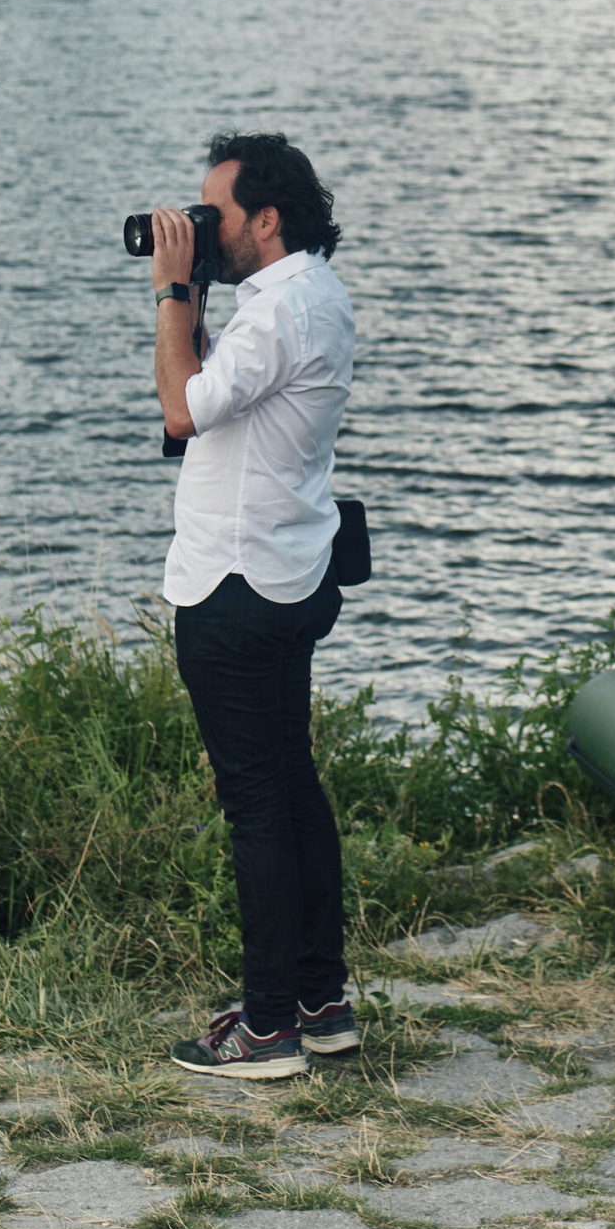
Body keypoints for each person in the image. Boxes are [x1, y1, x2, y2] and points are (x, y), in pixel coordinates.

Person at [144, 131, 357, 1078]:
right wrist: (193, 294)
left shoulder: (273, 315)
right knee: (292, 788)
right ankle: (320, 1001)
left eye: (213, 214)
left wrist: (169, 295)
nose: (199, 229)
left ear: (265, 220)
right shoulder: (308, 295)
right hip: (286, 572)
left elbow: (181, 411)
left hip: (234, 585)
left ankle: (268, 1029)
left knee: (257, 805)